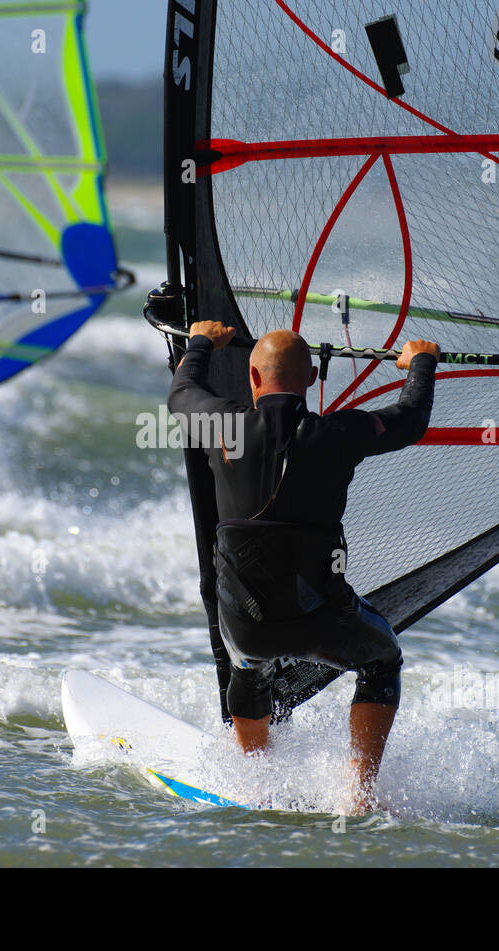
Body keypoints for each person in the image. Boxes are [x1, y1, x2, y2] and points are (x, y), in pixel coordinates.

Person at [168, 321, 439, 811]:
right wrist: (419, 363)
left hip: (248, 628)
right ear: (312, 377)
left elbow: (183, 393)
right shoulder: (338, 433)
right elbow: (410, 418)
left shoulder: (220, 425)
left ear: (252, 378)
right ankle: (359, 796)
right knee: (381, 660)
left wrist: (201, 343)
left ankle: (257, 785)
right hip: (323, 620)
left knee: (247, 669)